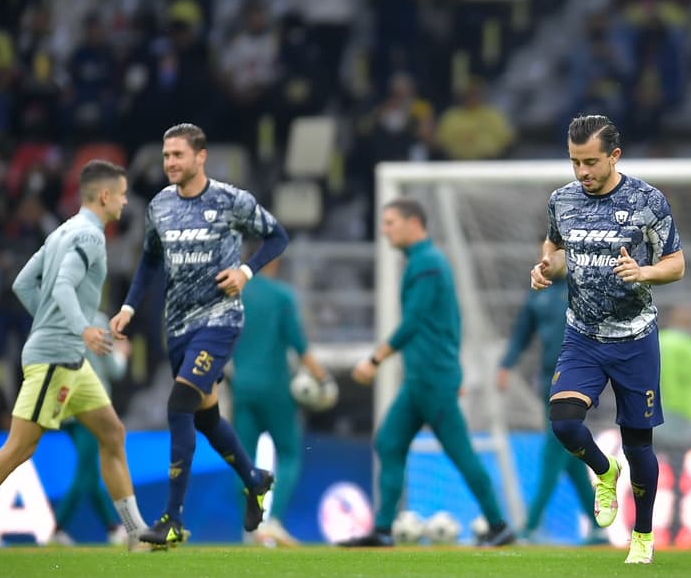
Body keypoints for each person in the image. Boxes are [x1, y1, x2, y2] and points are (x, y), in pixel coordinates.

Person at [0, 160, 150, 553]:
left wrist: (56, 323)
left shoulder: (60, 232)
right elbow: (66, 286)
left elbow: (22, 283)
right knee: (20, 447)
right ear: (104, 195)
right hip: (56, 357)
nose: (123, 202)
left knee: (112, 433)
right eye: (120, 194)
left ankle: (137, 533)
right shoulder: (90, 236)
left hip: (70, 358)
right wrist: (79, 328)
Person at [110, 123, 290, 548]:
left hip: (219, 321)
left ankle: (172, 519)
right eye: (166, 155)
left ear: (201, 156)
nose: (170, 162)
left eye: (178, 155)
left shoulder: (230, 200)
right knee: (206, 418)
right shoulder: (160, 206)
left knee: (179, 405)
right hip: (176, 327)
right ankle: (255, 478)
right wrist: (129, 308)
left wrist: (245, 271)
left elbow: (277, 236)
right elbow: (149, 262)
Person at [530, 114, 686, 565]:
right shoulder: (561, 200)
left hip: (635, 338)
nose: (582, 172)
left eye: (591, 162)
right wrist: (545, 267)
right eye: (575, 162)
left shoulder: (646, 200)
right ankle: (604, 470)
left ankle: (642, 535)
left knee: (639, 445)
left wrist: (645, 272)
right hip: (582, 335)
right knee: (563, 423)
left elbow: (676, 263)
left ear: (614, 156)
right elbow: (555, 248)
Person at [340, 198, 515, 548]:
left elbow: (415, 322)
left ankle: (499, 526)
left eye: (390, 222)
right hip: (423, 377)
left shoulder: (427, 264)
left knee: (460, 452)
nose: (384, 229)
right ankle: (384, 530)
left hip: (431, 379)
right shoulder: (426, 262)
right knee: (389, 441)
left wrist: (374, 360)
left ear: (413, 223)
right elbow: (448, 320)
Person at [232, 257, 338, 547]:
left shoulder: (235, 296)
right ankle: (275, 521)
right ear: (274, 261)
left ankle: (250, 525)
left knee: (243, 458)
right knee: (290, 452)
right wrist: (324, 379)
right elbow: (299, 345)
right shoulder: (281, 296)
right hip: (275, 386)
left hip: (242, 386)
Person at [495, 278, 605, 544]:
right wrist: (506, 364)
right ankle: (598, 525)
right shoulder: (538, 293)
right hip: (548, 382)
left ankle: (531, 525)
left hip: (575, 383)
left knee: (553, 451)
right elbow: (522, 332)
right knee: (569, 456)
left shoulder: (582, 288)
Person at [50, 309, 134, 547]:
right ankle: (57, 527)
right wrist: (123, 354)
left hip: (63, 404)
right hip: (91, 405)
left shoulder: (58, 317)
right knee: (85, 469)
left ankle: (112, 527)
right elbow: (116, 370)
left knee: (89, 471)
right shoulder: (96, 320)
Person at [657, 304, 691, 545]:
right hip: (687, 421)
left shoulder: (659, 342)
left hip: (654, 417)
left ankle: (641, 525)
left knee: (644, 471)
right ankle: (674, 527)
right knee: (678, 478)